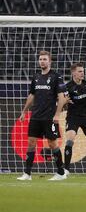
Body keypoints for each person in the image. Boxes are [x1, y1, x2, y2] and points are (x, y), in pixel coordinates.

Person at [17, 50, 67, 181]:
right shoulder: (36, 77)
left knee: (53, 143)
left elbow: (62, 98)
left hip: (49, 117)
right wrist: (24, 111)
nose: (42, 61)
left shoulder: (57, 77)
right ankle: (27, 174)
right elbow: (31, 95)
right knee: (31, 143)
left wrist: (57, 114)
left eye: (45, 59)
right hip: (36, 116)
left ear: (49, 61)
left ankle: (61, 173)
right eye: (40, 59)